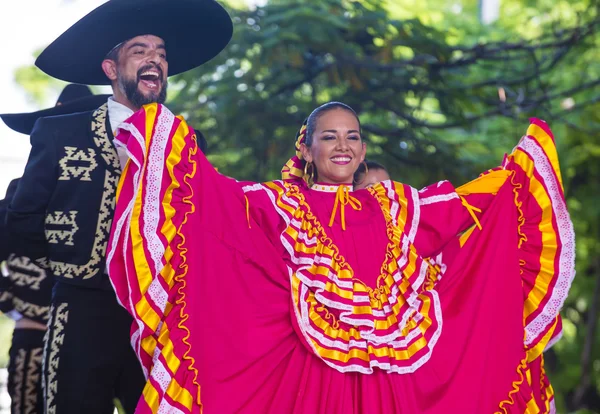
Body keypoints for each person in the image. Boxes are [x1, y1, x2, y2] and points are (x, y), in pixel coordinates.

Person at [108, 101, 574, 413]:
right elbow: (215, 207)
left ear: (364, 149)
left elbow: (460, 209)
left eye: (352, 136)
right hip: (308, 366)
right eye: (329, 137)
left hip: (397, 370)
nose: (343, 146)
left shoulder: (394, 203)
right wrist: (169, 145)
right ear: (307, 148)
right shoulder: (278, 202)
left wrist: (515, 177)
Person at [6, 1, 233, 412]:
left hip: (158, 315)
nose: (155, 60)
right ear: (111, 69)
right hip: (81, 307)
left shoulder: (185, 141)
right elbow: (21, 220)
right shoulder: (60, 131)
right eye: (141, 51)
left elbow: (206, 222)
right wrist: (69, 262)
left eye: (161, 54)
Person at [0, 84, 110, 414]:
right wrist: (14, 305)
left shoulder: (118, 180)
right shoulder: (21, 193)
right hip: (36, 336)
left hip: (106, 327)